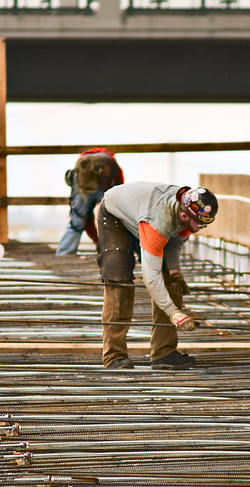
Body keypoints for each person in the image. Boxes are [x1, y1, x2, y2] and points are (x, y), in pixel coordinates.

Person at [95, 181, 218, 369]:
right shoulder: (158, 222)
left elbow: (174, 243)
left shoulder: (185, 211)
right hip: (115, 217)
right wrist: (174, 314)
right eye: (202, 222)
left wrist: (174, 271)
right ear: (184, 215)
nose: (204, 226)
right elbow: (150, 277)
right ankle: (114, 356)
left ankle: (164, 353)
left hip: (142, 216)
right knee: (119, 281)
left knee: (170, 282)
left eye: (207, 222)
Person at [55, 147, 123, 256]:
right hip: (105, 173)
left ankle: (64, 252)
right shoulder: (109, 159)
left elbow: (85, 220)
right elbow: (119, 183)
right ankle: (113, 252)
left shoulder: (84, 162)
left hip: (82, 178)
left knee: (77, 220)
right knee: (112, 218)